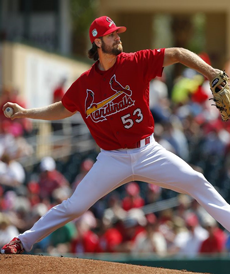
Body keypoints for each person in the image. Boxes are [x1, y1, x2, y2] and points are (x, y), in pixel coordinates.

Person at [1, 15, 230, 254]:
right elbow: (63, 108)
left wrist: (211, 71)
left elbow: (179, 53)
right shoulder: (85, 84)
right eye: (111, 35)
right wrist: (26, 112)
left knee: (197, 182)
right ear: (97, 42)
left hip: (147, 151)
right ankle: (22, 242)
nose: (117, 37)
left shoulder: (135, 62)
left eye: (117, 33)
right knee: (74, 207)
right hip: (112, 159)